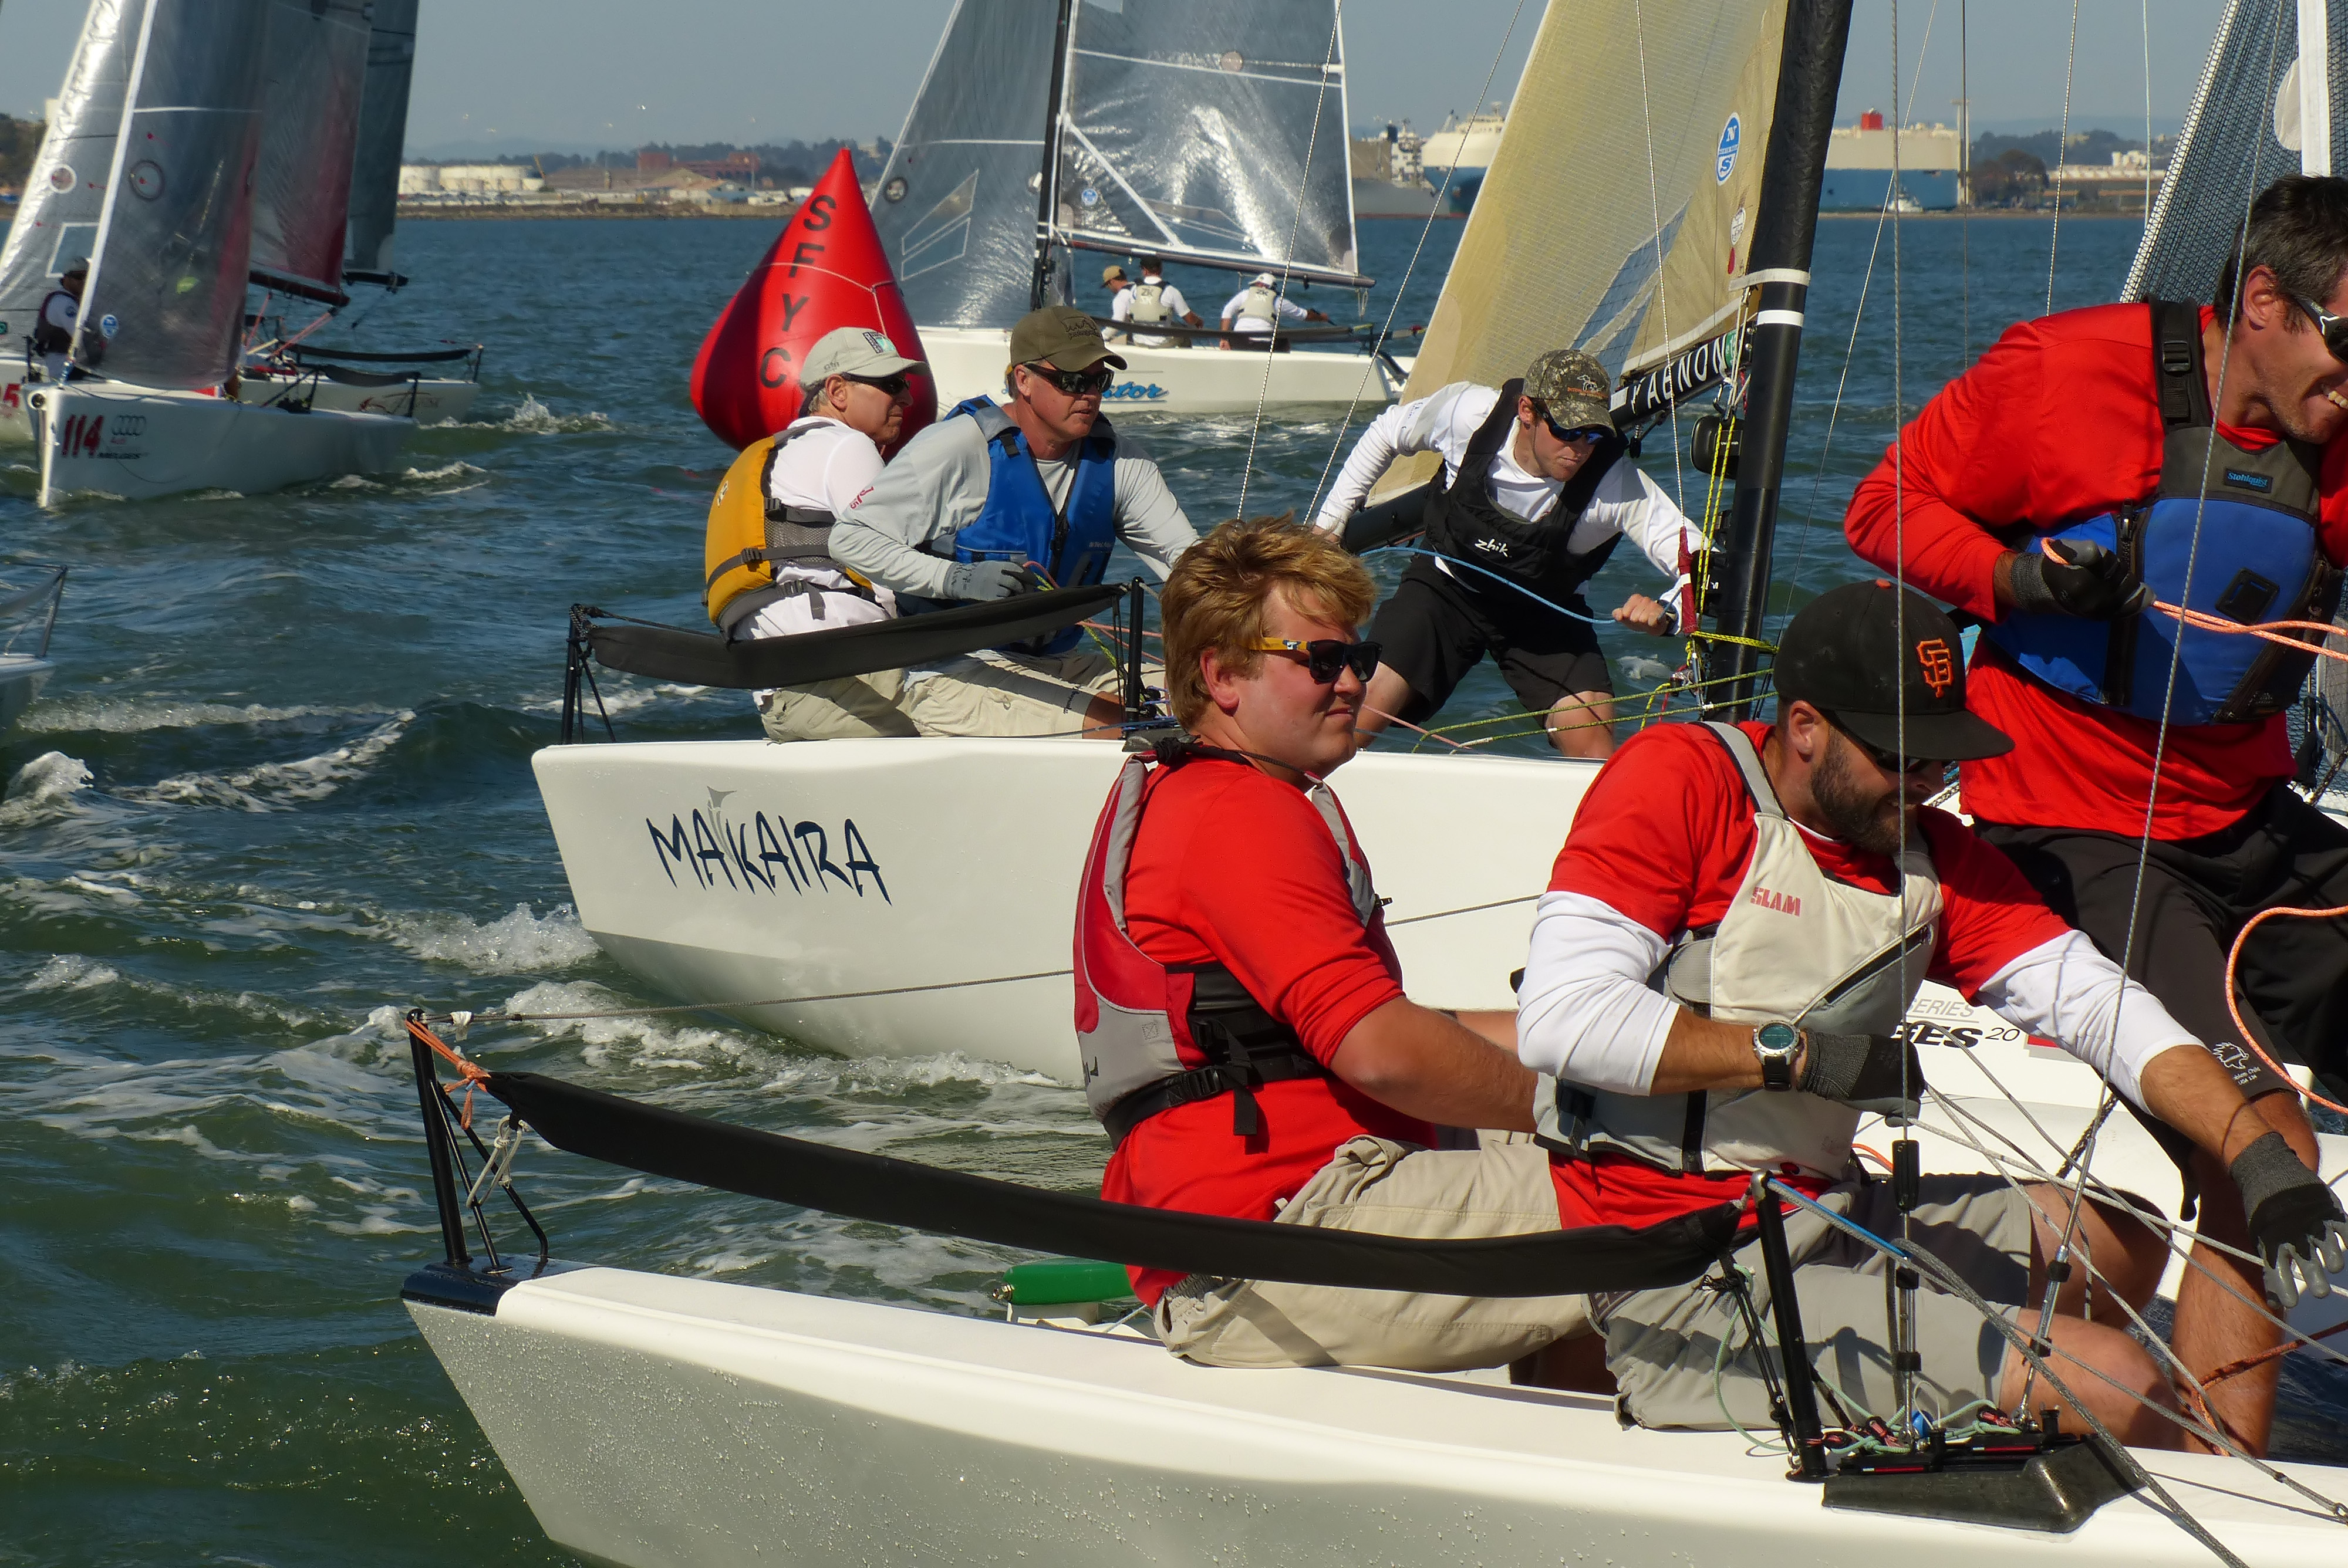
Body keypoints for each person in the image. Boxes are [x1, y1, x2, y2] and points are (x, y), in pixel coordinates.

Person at [1516, 580, 2347, 1449]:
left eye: (1940, 760)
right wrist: (1803, 1058)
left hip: (1824, 1211)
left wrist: (2257, 1156)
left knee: (2125, 1242)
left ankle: (2004, 1424)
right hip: (1680, 1261)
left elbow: (2100, 1005)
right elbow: (1562, 1017)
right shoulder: (1682, 778)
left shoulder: (1932, 858)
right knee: (2120, 1380)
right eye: (1900, 758)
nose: (1926, 784)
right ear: (1805, 727)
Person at [1843, 173, 2348, 1455]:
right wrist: (2015, 578)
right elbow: (1881, 506)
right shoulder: (2063, 375)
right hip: (2068, 824)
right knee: (2258, 1148)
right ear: (2264, 302)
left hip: (2244, 814)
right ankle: (2226, 1484)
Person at [1081, 515, 1607, 1371]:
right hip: (1280, 1240)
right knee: (1685, 1187)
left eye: (1359, 658)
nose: (1353, 682)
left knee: (1634, 1136)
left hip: (1274, 1219)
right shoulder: (1240, 815)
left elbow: (1383, 1028)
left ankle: (1570, 1422)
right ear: (1222, 675)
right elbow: (1381, 1053)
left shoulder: (1203, 796)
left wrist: (1616, 1048)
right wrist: (1589, 1108)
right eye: (1321, 661)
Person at [1311, 349, 1701, 759]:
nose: (1580, 448)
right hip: (1445, 589)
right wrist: (1330, 526)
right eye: (1568, 430)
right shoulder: (1469, 415)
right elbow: (1388, 431)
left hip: (1545, 613)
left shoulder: (1613, 483)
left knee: (1593, 747)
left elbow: (1698, 557)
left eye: (1593, 434)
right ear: (1527, 411)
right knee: (1358, 713)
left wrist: (1668, 613)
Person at [828, 305, 1196, 738]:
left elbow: (1189, 562)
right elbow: (850, 539)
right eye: (1072, 381)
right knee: (1122, 723)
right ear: (1023, 379)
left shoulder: (1120, 463)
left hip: (1061, 664)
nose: (1089, 395)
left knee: (1210, 700)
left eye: (1099, 381)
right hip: (956, 670)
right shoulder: (958, 446)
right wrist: (957, 579)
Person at [701, 326, 923, 742]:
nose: (908, 399)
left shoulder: (775, 456)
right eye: (892, 385)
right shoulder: (846, 445)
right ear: (837, 391)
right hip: (847, 685)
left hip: (780, 699)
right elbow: (896, 574)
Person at [1219, 271, 1327, 349]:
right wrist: (1321, 318)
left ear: (1259, 285)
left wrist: (1224, 339)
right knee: (1284, 341)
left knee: (1234, 329)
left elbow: (1227, 311)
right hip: (1264, 346)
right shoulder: (1278, 300)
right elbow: (1303, 315)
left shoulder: (1245, 294)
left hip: (1239, 342)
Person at [1113, 265, 1202, 350]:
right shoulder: (1170, 291)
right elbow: (1190, 319)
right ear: (1161, 270)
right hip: (1162, 344)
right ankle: (1183, 359)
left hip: (1138, 342)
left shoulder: (1133, 290)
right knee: (1185, 334)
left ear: (1144, 271)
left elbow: (1123, 317)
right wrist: (1199, 321)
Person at [30, 259, 89, 382]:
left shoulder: (71, 300)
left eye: (87, 277)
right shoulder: (64, 303)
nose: (83, 281)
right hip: (61, 368)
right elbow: (81, 337)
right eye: (79, 277)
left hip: (70, 366)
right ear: (66, 279)